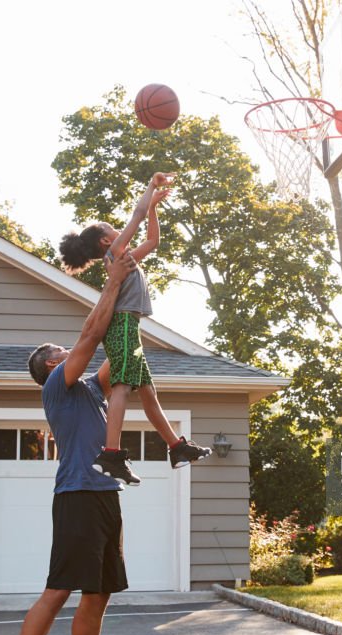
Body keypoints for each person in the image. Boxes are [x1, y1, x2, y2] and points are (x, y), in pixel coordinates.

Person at [0, 182, 159, 635]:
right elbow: (90, 334)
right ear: (47, 367)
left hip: (104, 495)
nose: (63, 349)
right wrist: (111, 281)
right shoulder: (57, 387)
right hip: (77, 496)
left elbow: (118, 348)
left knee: (99, 595)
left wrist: (132, 266)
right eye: (55, 351)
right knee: (60, 589)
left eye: (61, 349)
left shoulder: (89, 388)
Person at [58, 172, 210, 485]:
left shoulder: (125, 259)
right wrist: (150, 187)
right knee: (123, 387)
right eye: (113, 229)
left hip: (131, 326)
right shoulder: (115, 255)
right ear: (106, 241)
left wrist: (154, 206)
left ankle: (177, 447)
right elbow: (137, 216)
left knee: (148, 393)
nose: (119, 229)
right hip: (123, 324)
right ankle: (111, 452)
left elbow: (152, 241)